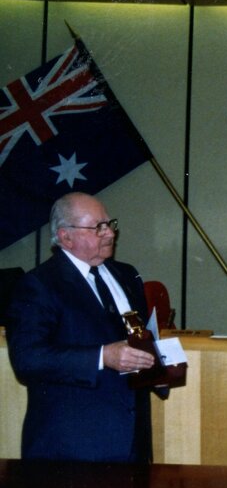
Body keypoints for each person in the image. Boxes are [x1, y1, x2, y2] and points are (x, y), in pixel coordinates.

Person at [5, 192, 160, 462]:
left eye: (110, 224)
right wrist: (103, 357)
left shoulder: (127, 275)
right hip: (74, 445)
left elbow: (137, 338)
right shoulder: (39, 285)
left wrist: (160, 365)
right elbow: (27, 360)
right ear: (66, 237)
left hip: (132, 442)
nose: (110, 233)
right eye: (98, 227)